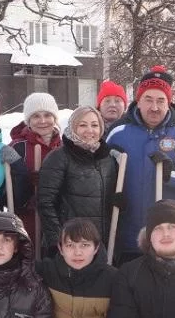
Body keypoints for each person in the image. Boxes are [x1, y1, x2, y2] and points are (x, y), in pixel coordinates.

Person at [105, 66, 175, 262]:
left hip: (169, 237)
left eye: (161, 100)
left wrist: (171, 173)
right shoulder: (118, 132)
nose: (154, 107)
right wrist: (109, 197)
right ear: (138, 101)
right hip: (128, 233)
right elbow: (100, 172)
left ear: (169, 103)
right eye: (148, 100)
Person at [37, 105, 119, 252]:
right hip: (70, 244)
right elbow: (45, 203)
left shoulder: (107, 159)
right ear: (73, 127)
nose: (89, 130)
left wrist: (117, 201)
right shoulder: (59, 157)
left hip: (100, 244)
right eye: (82, 125)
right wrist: (58, 241)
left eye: (94, 125)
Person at [9, 92, 62, 253]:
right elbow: (9, 191)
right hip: (28, 219)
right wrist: (25, 182)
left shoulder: (64, 146)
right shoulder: (18, 147)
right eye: (36, 116)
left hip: (57, 218)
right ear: (28, 120)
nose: (43, 121)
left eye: (47, 115)